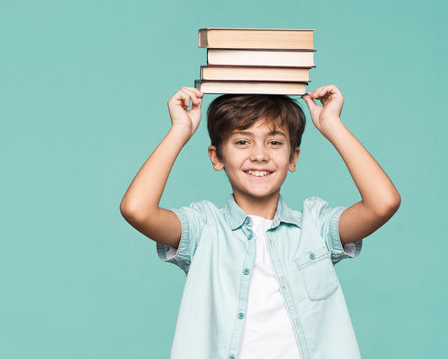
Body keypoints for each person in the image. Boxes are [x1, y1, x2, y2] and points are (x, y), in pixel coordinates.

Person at [119, 85, 400, 359]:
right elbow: (137, 210)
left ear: (293, 157)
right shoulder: (205, 229)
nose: (260, 155)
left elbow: (383, 203)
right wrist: (179, 130)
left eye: (275, 142)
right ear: (217, 157)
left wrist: (332, 124)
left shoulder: (316, 227)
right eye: (242, 141)